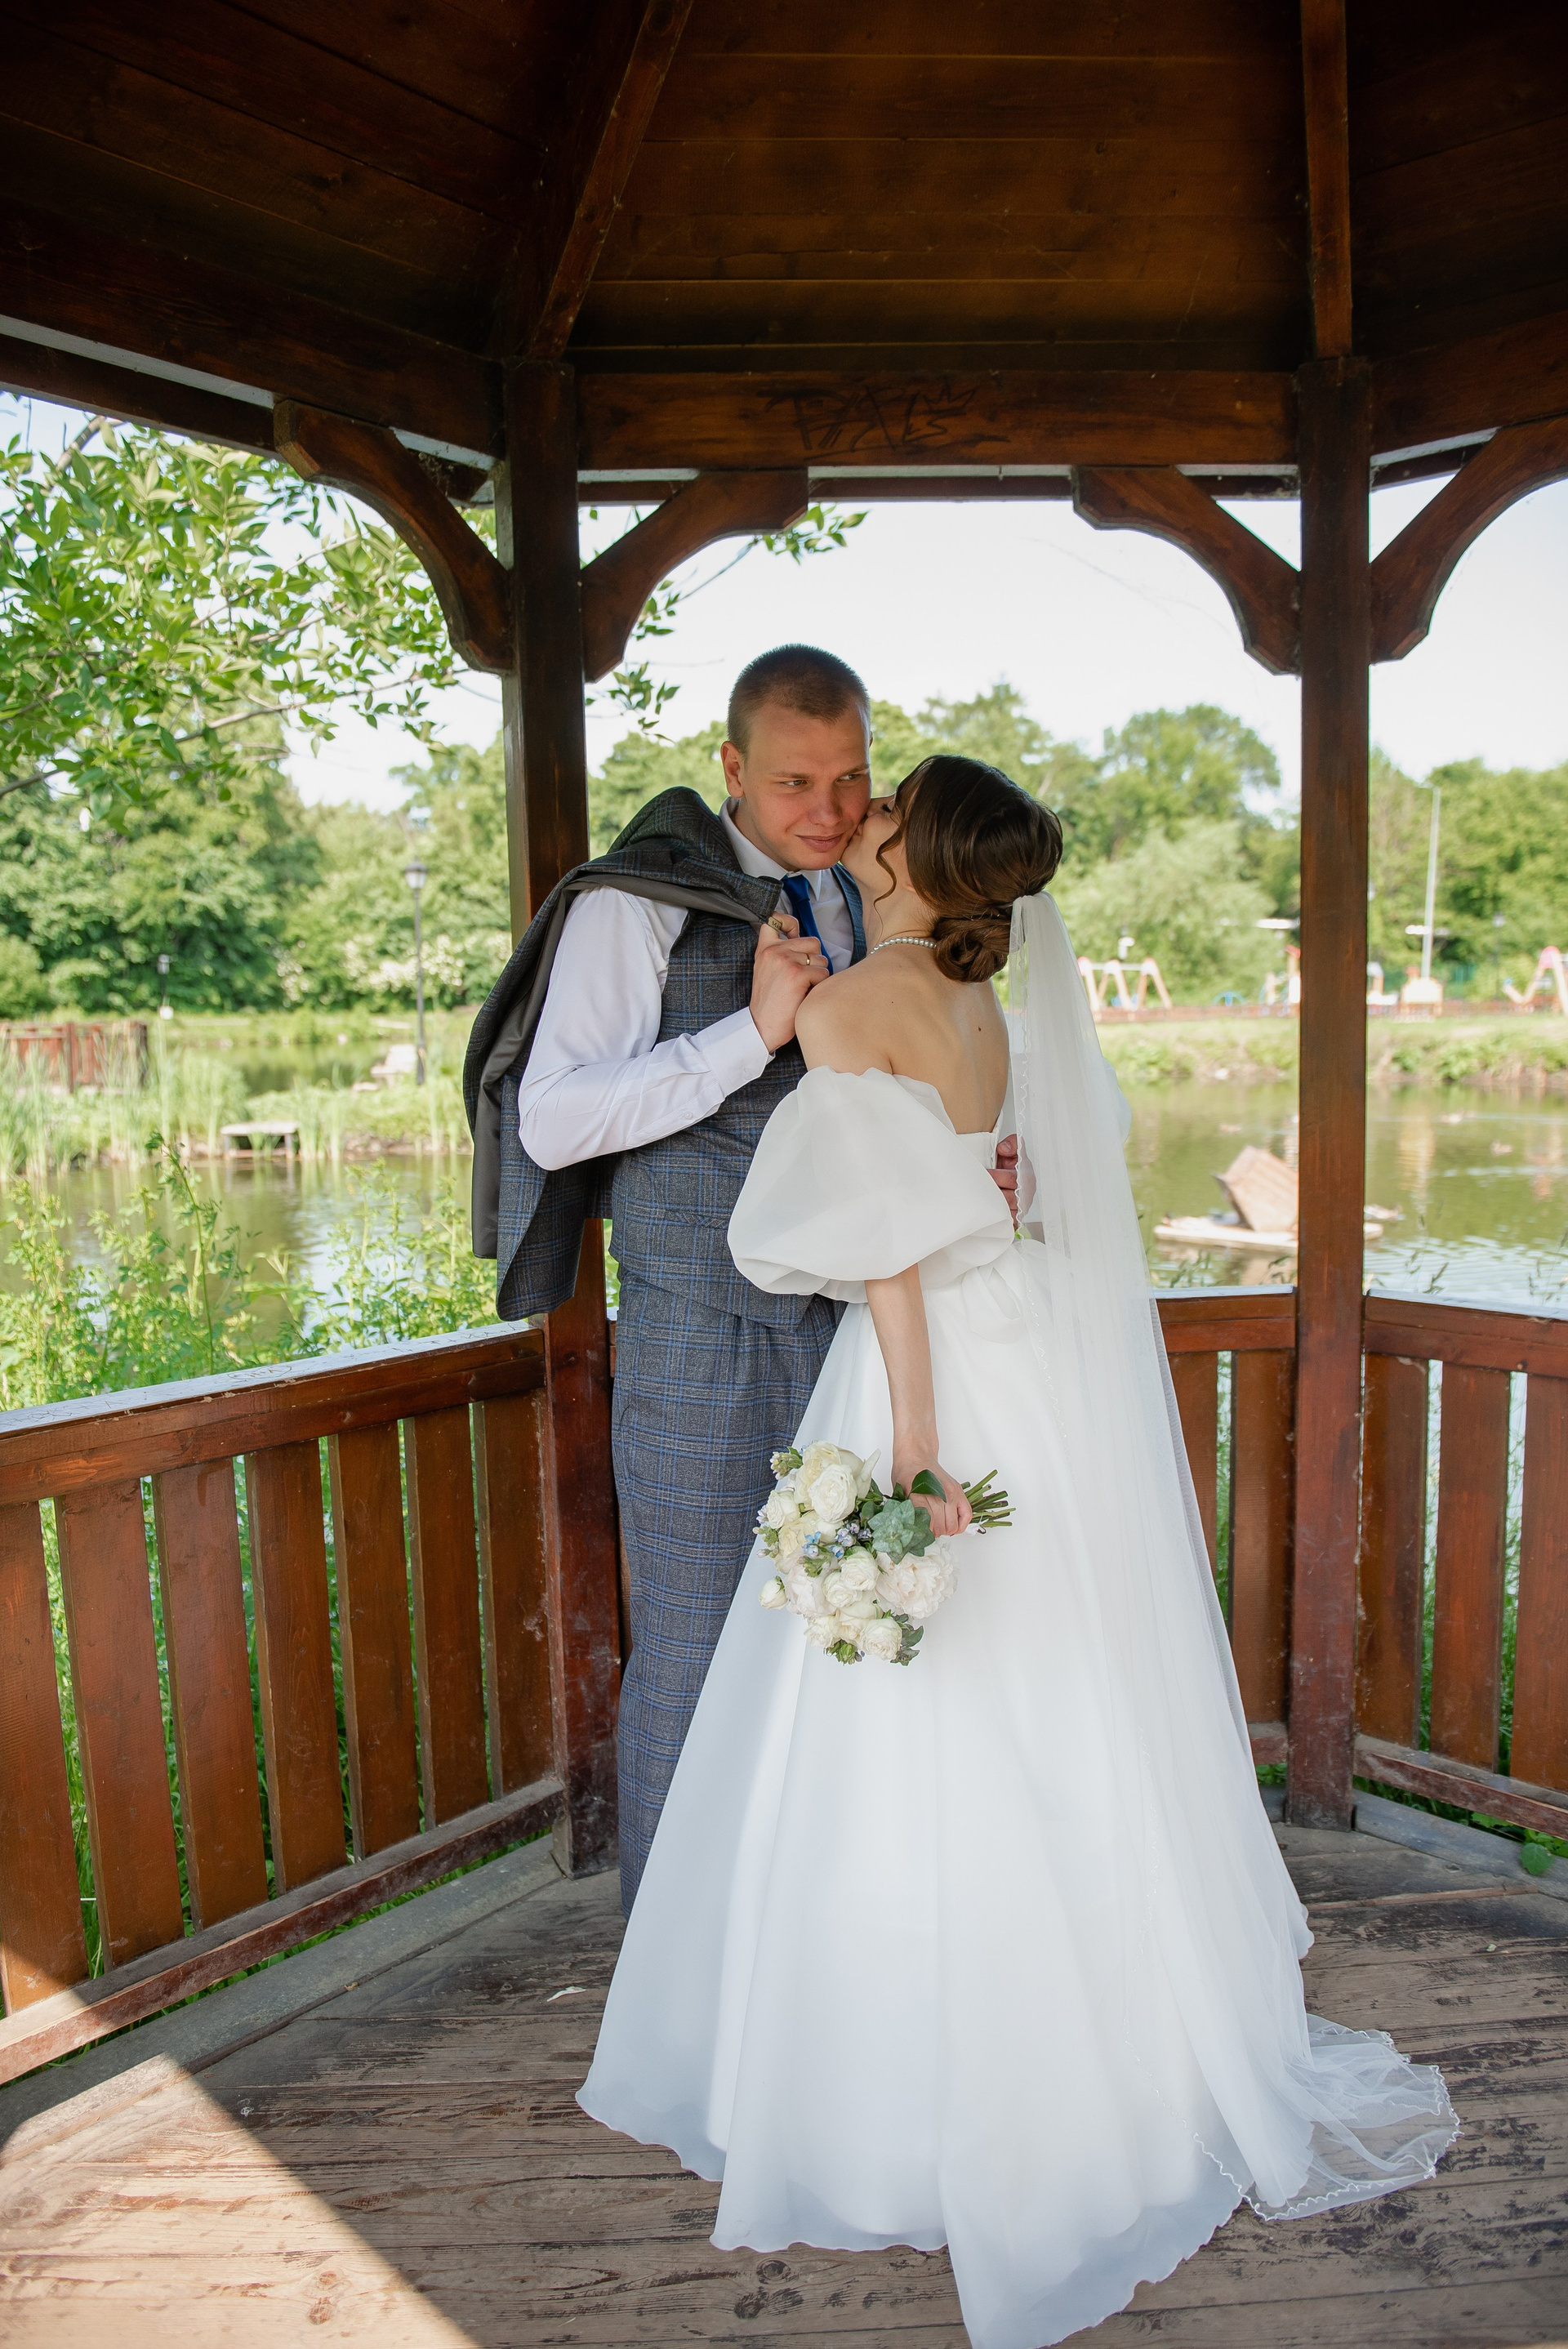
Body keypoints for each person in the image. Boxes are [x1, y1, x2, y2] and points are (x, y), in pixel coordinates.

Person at [577, 756, 1457, 2349]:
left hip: (930, 1366)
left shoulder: (855, 1008)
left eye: (884, 809)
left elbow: (887, 1249)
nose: (863, 821)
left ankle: (895, 2087)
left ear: (912, 854)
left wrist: (914, 1441)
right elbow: (991, 1190)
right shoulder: (986, 1006)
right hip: (1027, 1350)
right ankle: (1117, 2046)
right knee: (1054, 1682)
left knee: (913, 1694)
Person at [462, 647, 1019, 1908]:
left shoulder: (875, 894)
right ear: (730, 767)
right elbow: (553, 1119)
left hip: (864, 1341)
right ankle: (674, 1956)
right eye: (792, 783)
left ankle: (809, 1942)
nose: (828, 810)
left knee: (844, 1647)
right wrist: (749, 1034)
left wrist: (983, 1158)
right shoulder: (637, 904)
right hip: (700, 1335)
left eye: (851, 778)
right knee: (697, 1649)